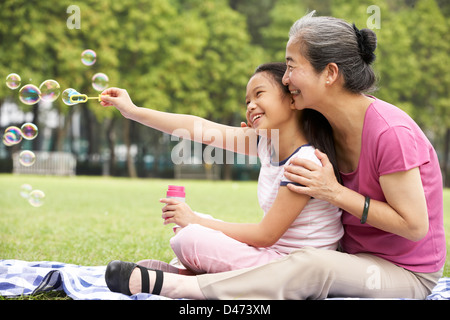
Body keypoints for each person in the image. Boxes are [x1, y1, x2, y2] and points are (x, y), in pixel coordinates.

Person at [103, 11, 446, 300]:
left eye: (291, 66)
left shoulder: (390, 133)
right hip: (349, 258)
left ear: (329, 73)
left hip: (405, 273)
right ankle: (188, 270)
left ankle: (180, 286)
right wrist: (133, 111)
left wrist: (335, 192)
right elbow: (199, 128)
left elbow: (414, 227)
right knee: (303, 261)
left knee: (313, 265)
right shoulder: (313, 128)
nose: (285, 79)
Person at [101, 62, 344, 294]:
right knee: (189, 232)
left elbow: (265, 235)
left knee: (192, 236)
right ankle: (192, 276)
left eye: (259, 94)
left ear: (293, 99)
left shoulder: (305, 162)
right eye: (247, 101)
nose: (250, 105)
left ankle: (184, 278)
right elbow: (198, 129)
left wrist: (194, 219)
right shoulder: (267, 144)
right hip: (272, 257)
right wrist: (132, 111)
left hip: (293, 271)